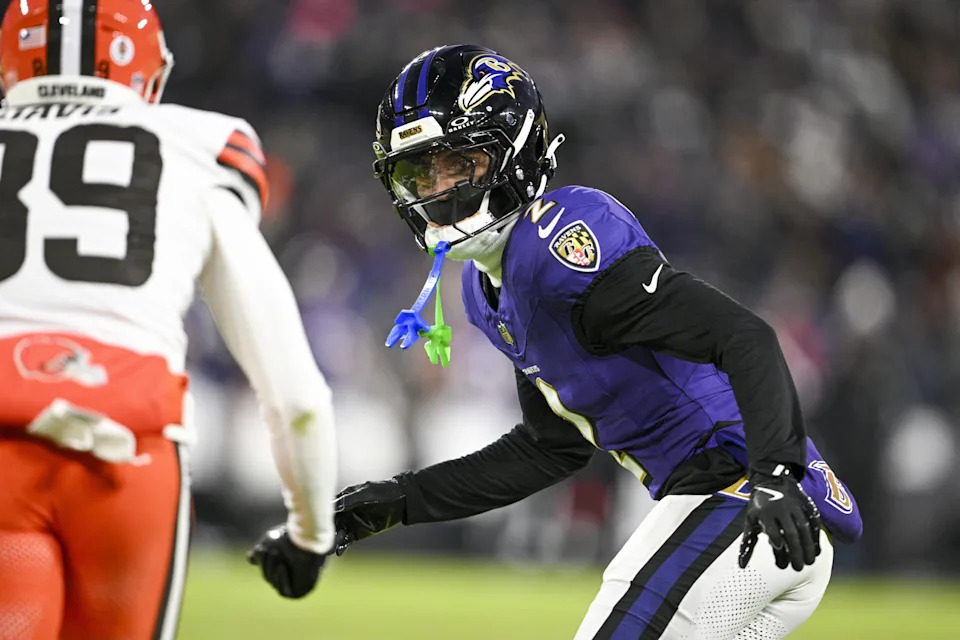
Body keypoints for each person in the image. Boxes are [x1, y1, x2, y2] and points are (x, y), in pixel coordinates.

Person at [332, 45, 862, 639]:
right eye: (420, 173)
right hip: (739, 511)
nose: (436, 189)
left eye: (458, 164)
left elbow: (745, 337)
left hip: (747, 497)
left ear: (514, 154)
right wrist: (403, 500)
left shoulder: (559, 243)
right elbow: (549, 448)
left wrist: (776, 473)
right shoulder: (486, 291)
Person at [0, 2, 336, 638]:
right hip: (125, 448)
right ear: (145, 70)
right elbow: (297, 396)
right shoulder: (192, 146)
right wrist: (310, 533)